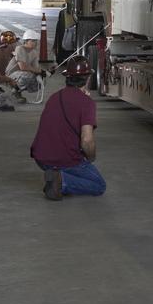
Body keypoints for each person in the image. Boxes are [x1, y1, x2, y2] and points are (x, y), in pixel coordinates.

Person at [31, 56, 105, 200]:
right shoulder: (87, 103)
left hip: (41, 159)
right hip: (65, 159)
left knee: (78, 169)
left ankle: (56, 174)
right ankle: (61, 181)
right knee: (99, 185)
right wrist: (91, 158)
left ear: (67, 77)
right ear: (88, 78)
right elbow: (87, 140)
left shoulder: (54, 97)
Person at [5, 30, 45, 102]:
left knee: (40, 80)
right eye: (32, 41)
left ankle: (17, 91)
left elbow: (36, 68)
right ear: (26, 41)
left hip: (20, 74)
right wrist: (39, 71)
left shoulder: (34, 52)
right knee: (28, 75)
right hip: (10, 75)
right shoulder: (19, 49)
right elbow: (23, 67)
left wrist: (46, 72)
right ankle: (13, 91)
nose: (35, 43)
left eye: (36, 41)